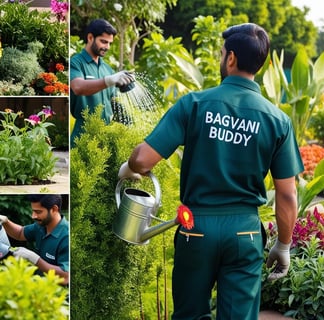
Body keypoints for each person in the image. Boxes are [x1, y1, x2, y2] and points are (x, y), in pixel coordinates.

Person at [118, 23, 304, 319]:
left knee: (190, 314)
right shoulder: (278, 120)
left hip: (196, 227)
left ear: (230, 58)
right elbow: (287, 194)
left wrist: (128, 168)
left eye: (221, 54)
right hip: (245, 232)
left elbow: (143, 160)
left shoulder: (194, 104)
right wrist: (283, 245)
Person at [70, 18, 135, 147]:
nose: (107, 47)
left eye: (109, 43)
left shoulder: (107, 69)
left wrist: (129, 121)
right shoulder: (76, 62)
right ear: (90, 38)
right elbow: (78, 87)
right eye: (103, 42)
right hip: (83, 134)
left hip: (105, 135)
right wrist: (109, 80)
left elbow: (112, 102)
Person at [0, 194, 69, 286]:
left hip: (58, 296)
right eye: (33, 211)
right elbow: (20, 233)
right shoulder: (42, 226)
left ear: (54, 209)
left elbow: (66, 277)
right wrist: (6, 222)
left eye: (38, 212)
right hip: (39, 288)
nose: (33, 216)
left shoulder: (67, 237)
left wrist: (34, 258)